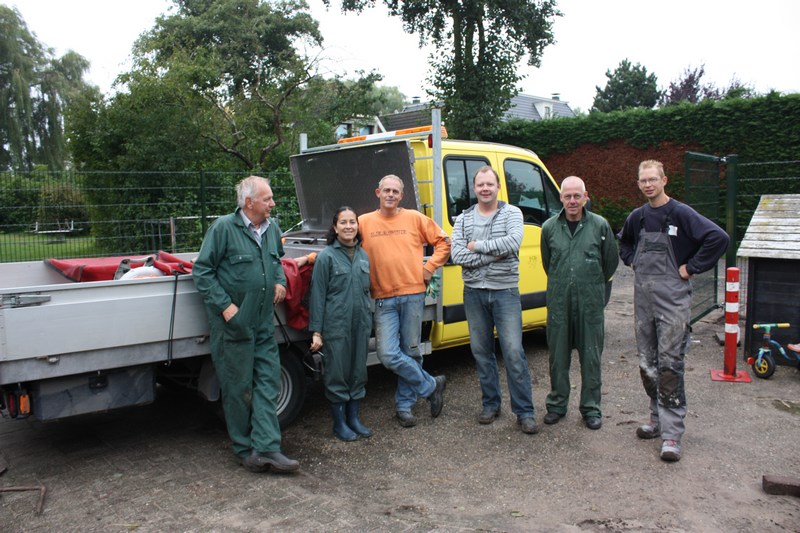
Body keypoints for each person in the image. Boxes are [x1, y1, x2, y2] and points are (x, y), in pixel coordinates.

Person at [618, 160, 729, 462]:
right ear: (639, 183)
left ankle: (671, 434)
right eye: (643, 180)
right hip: (644, 302)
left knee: (670, 365)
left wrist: (692, 267)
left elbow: (718, 238)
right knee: (647, 363)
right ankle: (656, 420)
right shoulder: (638, 217)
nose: (648, 185)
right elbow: (624, 242)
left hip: (673, 302)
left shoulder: (681, 213)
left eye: (653, 179)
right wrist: (631, 260)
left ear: (664, 180)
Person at [192, 176, 299, 474]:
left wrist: (279, 281)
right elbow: (202, 271)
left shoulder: (272, 228)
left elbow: (276, 261)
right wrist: (226, 307)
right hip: (234, 325)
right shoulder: (224, 228)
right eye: (267, 199)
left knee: (267, 382)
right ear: (249, 202)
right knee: (238, 388)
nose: (273, 203)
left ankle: (267, 447)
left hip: (263, 321)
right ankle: (243, 450)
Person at [451, 166, 539, 434]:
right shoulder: (463, 218)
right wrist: (494, 254)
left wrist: (477, 246)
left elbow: (512, 243)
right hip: (473, 292)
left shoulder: (512, 213)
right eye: (480, 185)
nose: (485, 189)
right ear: (474, 188)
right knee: (481, 352)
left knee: (513, 352)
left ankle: (525, 412)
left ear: (498, 186)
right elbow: (457, 255)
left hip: (505, 292)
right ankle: (491, 404)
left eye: (490, 184)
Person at [358, 174, 451, 427]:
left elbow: (444, 242)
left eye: (395, 191)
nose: (390, 194)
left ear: (402, 196)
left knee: (411, 351)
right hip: (383, 298)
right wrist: (310, 258)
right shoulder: (364, 222)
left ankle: (404, 406)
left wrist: (429, 267)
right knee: (388, 354)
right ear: (378, 193)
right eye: (386, 190)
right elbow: (342, 244)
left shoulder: (415, 218)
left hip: (412, 295)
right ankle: (431, 385)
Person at [540, 176, 619, 430]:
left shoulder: (600, 226)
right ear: (561, 198)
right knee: (558, 358)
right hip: (559, 303)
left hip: (590, 303)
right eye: (568, 196)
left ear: (585, 197)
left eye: (577, 196)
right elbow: (548, 263)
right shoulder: (549, 228)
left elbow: (610, 262)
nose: (572, 201)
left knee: (591, 357)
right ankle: (557, 405)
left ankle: (591, 408)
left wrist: (590, 284)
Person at [308, 207, 373, 441]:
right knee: (337, 373)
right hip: (336, 325)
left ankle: (354, 419)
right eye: (343, 222)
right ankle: (339, 423)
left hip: (361, 324)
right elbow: (317, 295)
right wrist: (317, 331)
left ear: (357, 226)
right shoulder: (326, 257)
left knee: (358, 371)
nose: (348, 226)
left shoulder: (363, 255)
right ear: (335, 228)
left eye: (352, 222)